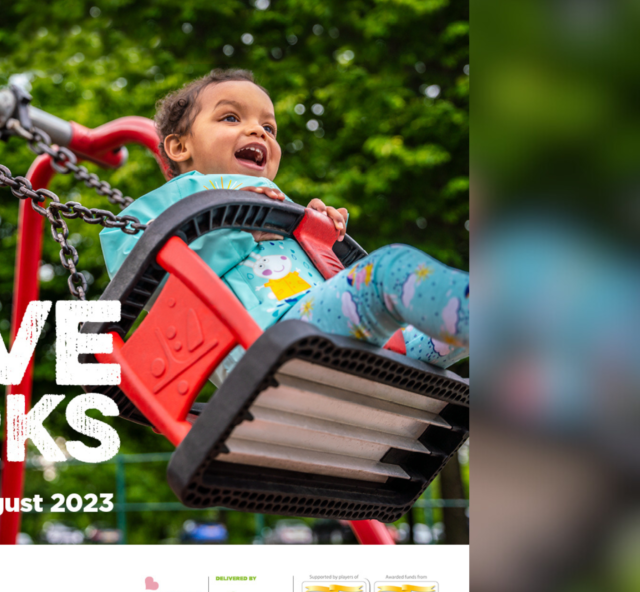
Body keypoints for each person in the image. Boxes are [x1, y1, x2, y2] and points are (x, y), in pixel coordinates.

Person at [99, 69, 468, 382]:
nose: (258, 132)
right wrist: (240, 233)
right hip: (270, 343)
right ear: (179, 147)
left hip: (330, 333)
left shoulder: (272, 198)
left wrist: (321, 233)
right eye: (231, 118)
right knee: (390, 271)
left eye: (269, 127)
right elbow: (135, 262)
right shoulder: (183, 194)